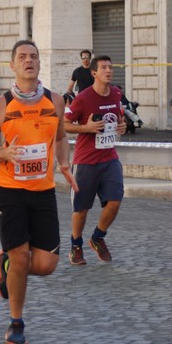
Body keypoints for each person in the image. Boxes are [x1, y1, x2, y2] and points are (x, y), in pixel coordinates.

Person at [0, 40, 78, 344]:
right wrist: (3, 153)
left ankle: (5, 263)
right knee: (21, 255)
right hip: (7, 191)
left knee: (46, 265)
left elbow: (60, 137)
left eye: (33, 56)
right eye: (22, 57)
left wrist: (63, 164)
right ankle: (16, 321)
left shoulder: (55, 101)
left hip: (42, 191)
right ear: (12, 66)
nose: (29, 61)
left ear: (39, 63)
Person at [64, 55, 127, 266]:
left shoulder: (117, 93)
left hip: (109, 158)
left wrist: (122, 126)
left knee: (115, 201)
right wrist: (86, 128)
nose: (109, 71)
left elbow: (119, 117)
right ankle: (76, 245)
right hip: (86, 162)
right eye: (104, 68)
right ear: (94, 73)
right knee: (81, 209)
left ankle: (98, 237)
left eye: (110, 67)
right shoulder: (83, 98)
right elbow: (63, 124)